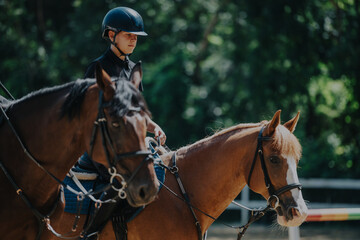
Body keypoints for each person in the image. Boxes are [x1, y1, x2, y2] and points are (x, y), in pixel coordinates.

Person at [78, 7, 166, 239]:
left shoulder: (133, 68)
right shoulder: (97, 69)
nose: (133, 40)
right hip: (101, 147)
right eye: (128, 35)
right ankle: (91, 233)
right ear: (111, 35)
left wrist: (153, 126)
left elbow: (137, 114)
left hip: (126, 143)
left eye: (136, 36)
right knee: (116, 182)